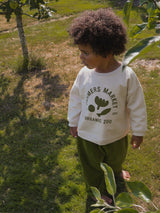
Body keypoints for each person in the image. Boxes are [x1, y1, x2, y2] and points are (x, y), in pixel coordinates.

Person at [67, 8, 147, 203]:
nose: (81, 57)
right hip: (88, 134)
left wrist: (138, 131)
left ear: (107, 52)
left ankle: (116, 173)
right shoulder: (84, 74)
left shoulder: (126, 76)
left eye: (86, 52)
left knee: (114, 161)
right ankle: (98, 190)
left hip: (116, 135)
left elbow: (137, 105)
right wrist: (73, 121)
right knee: (92, 167)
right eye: (80, 52)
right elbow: (76, 98)